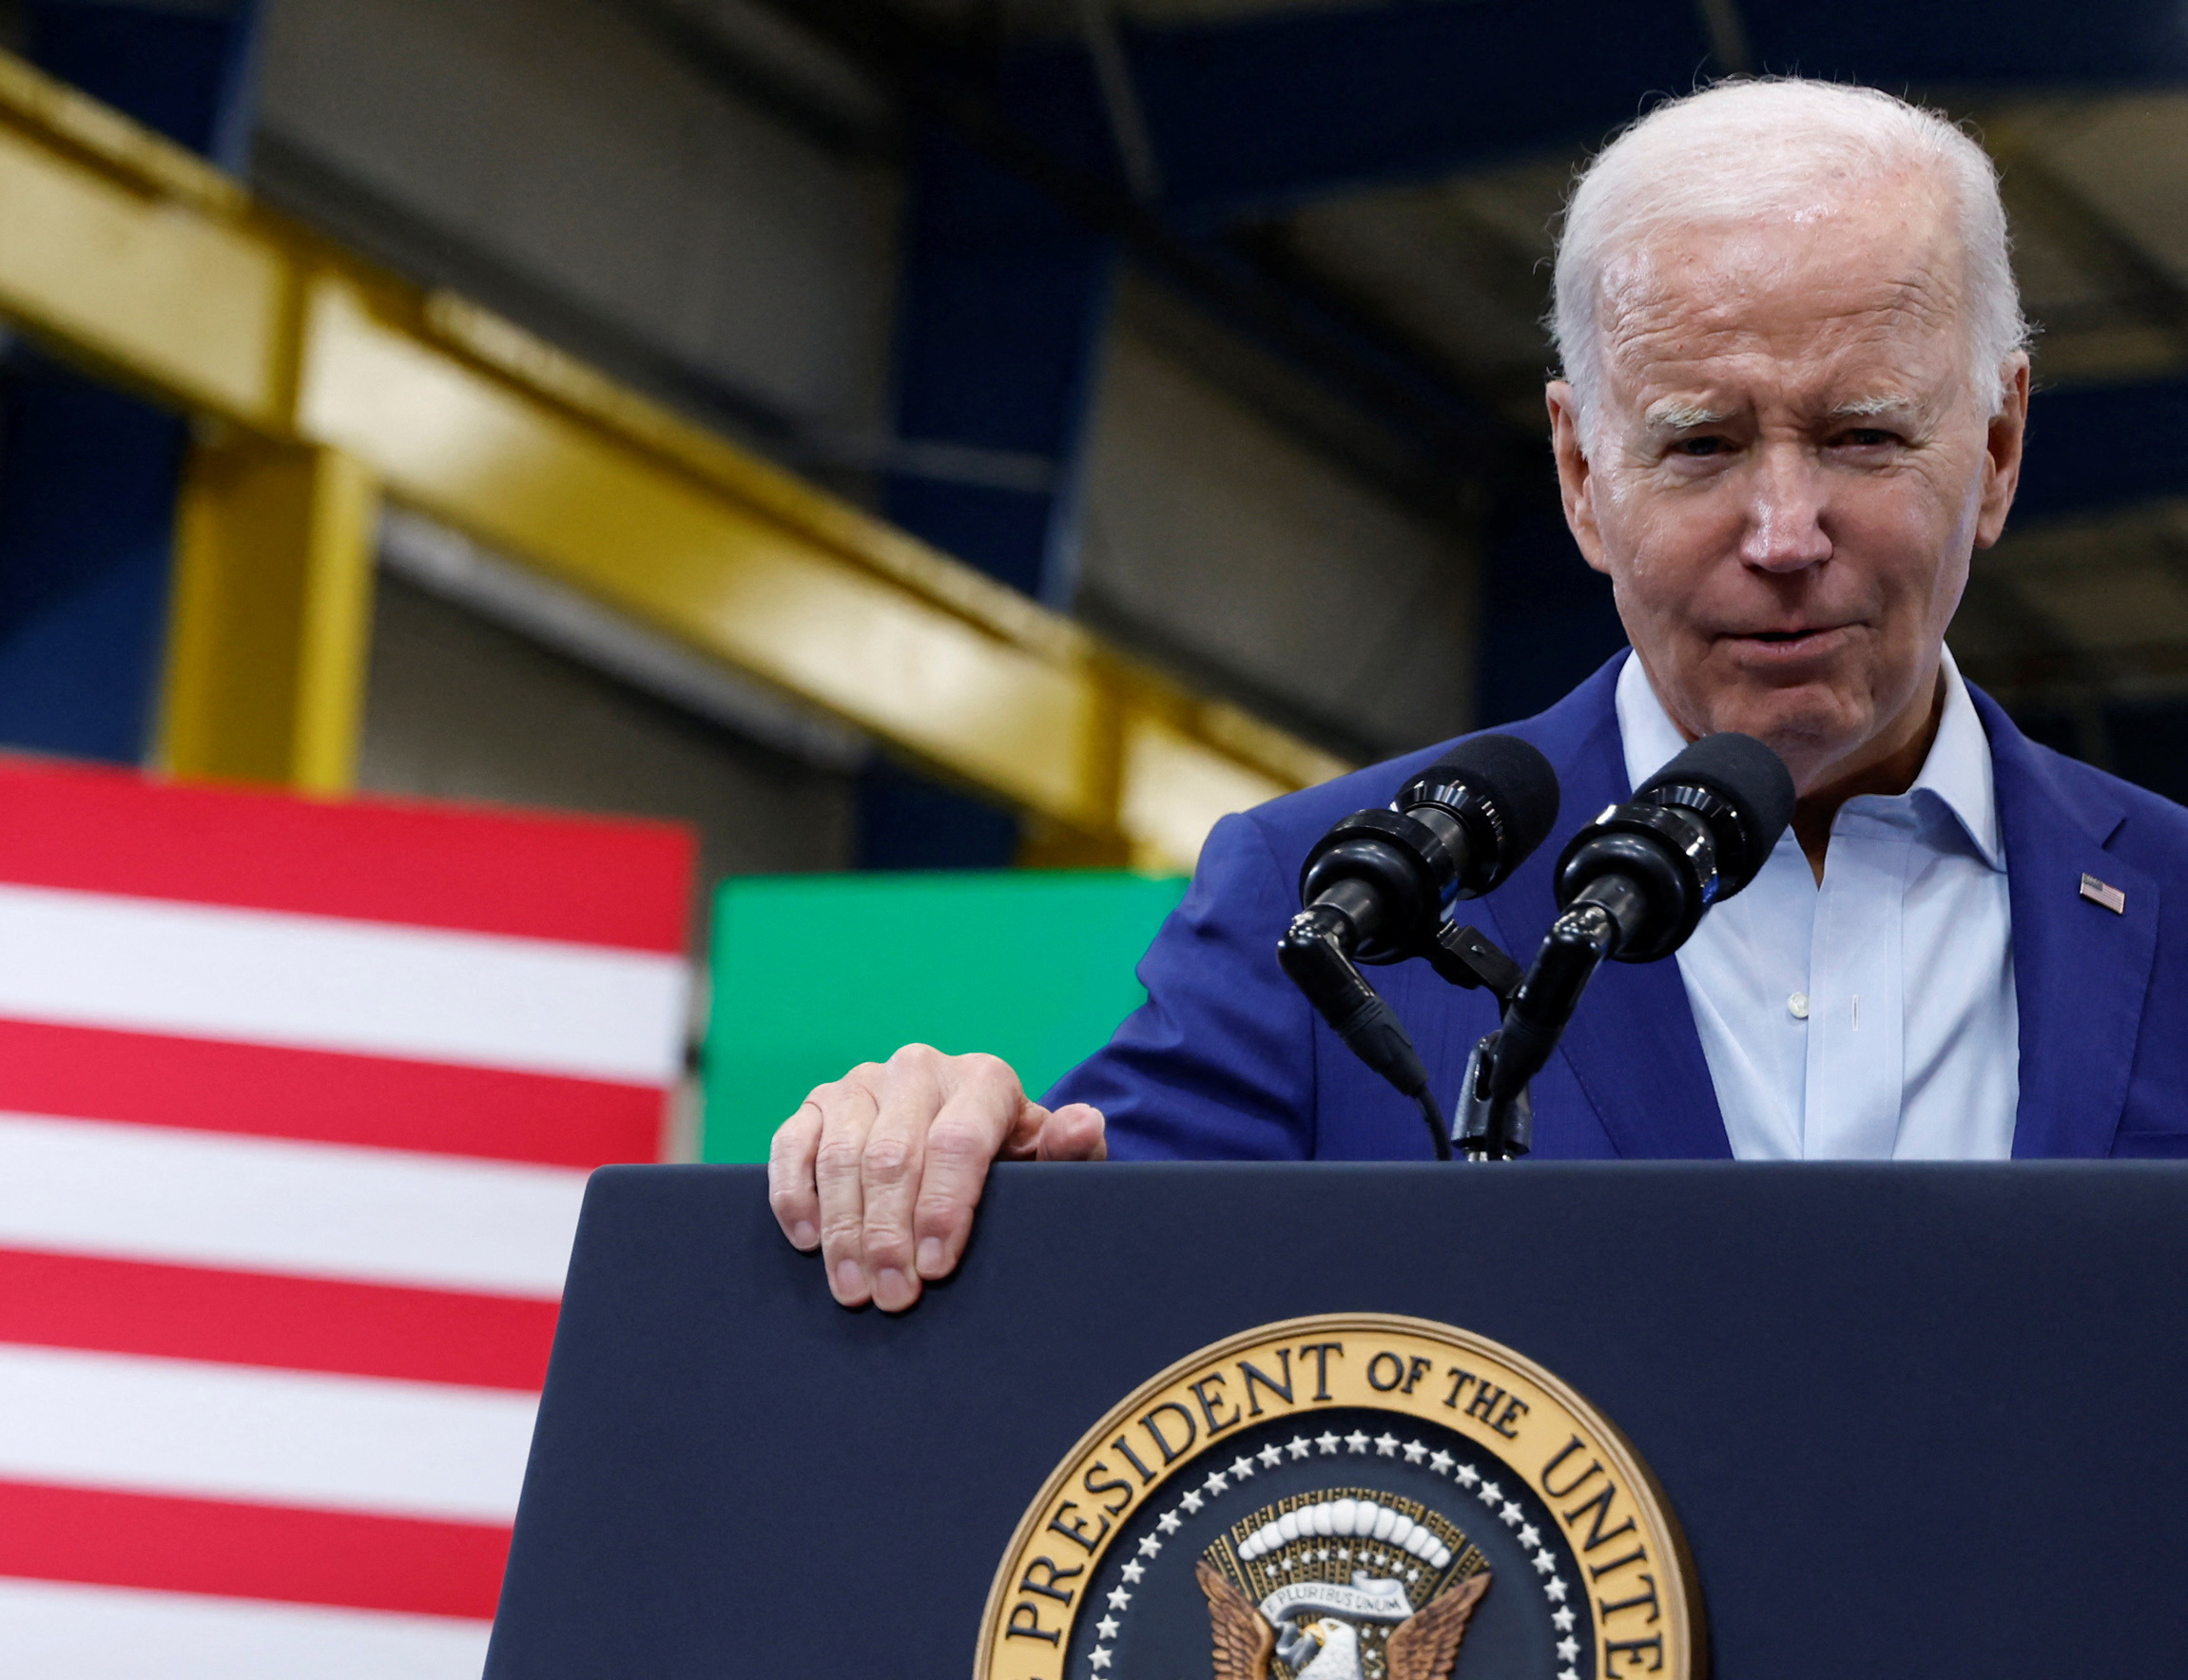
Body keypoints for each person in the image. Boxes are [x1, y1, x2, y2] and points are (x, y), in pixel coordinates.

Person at [769, 76, 2188, 1314]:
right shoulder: (1328, 905)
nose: (1781, 533)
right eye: (1696, 445)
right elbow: (1080, 1275)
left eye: (1861, 436)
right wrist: (940, 1147)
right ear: (1579, 474)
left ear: (1996, 446)